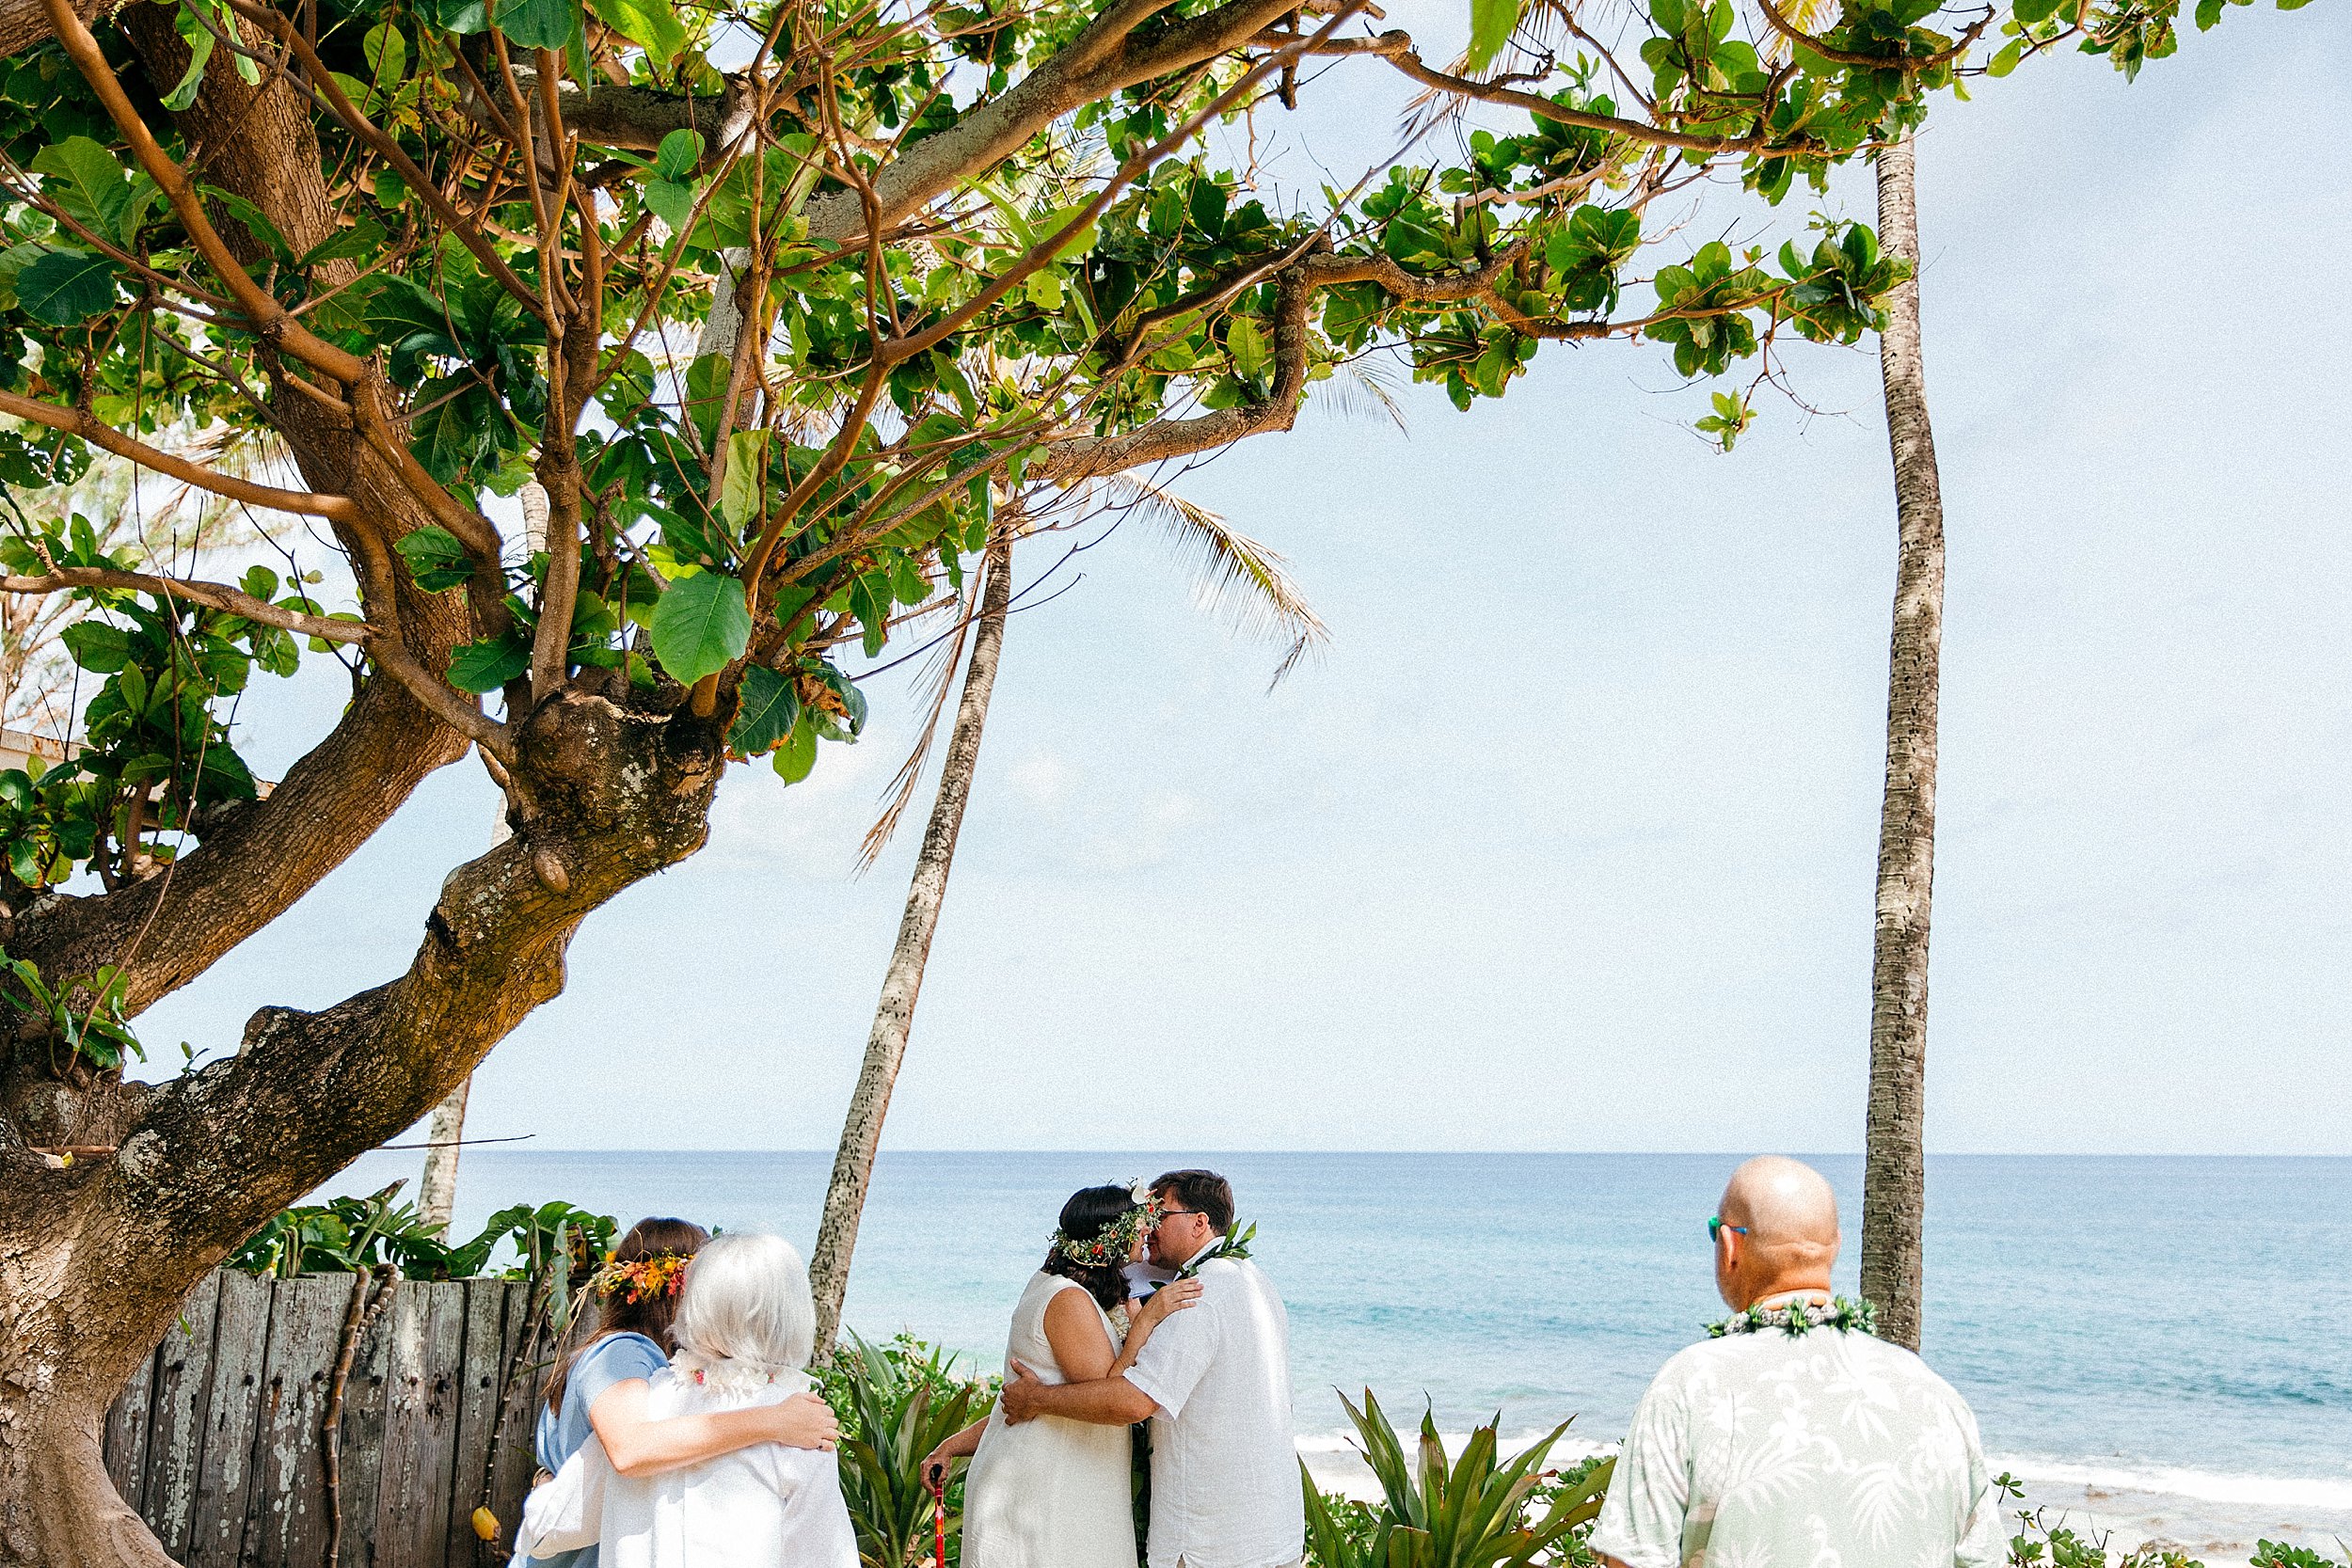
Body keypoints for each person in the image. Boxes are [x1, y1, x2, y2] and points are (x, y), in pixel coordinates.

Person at [1588, 1156, 2004, 1568]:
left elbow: (1635, 1559)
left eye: (1716, 1232)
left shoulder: (1690, 1386)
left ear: (1730, 1246)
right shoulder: (1936, 1398)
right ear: (1835, 1247)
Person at [999, 1169, 1302, 1568]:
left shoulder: (1195, 1295)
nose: (1149, 1224)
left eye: (1160, 1213)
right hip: (1268, 1530)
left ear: (1199, 1223)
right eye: (1146, 1214)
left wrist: (1036, 1398)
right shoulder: (1249, 1278)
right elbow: (1121, 1265)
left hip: (1210, 1542)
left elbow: (1134, 1401)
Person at [517, 1230, 860, 1568]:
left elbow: (549, 1528)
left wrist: (545, 1486)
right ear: (791, 1314)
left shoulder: (649, 1400)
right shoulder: (801, 1425)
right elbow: (824, 1556)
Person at [920, 1183, 1205, 1568]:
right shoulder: (1067, 1299)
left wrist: (951, 1445)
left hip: (1060, 1485)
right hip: (1042, 1493)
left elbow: (1032, 1399)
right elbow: (1109, 1393)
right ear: (1112, 1236)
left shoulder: (1065, 1289)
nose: (1147, 1233)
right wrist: (1149, 1320)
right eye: (1139, 1228)